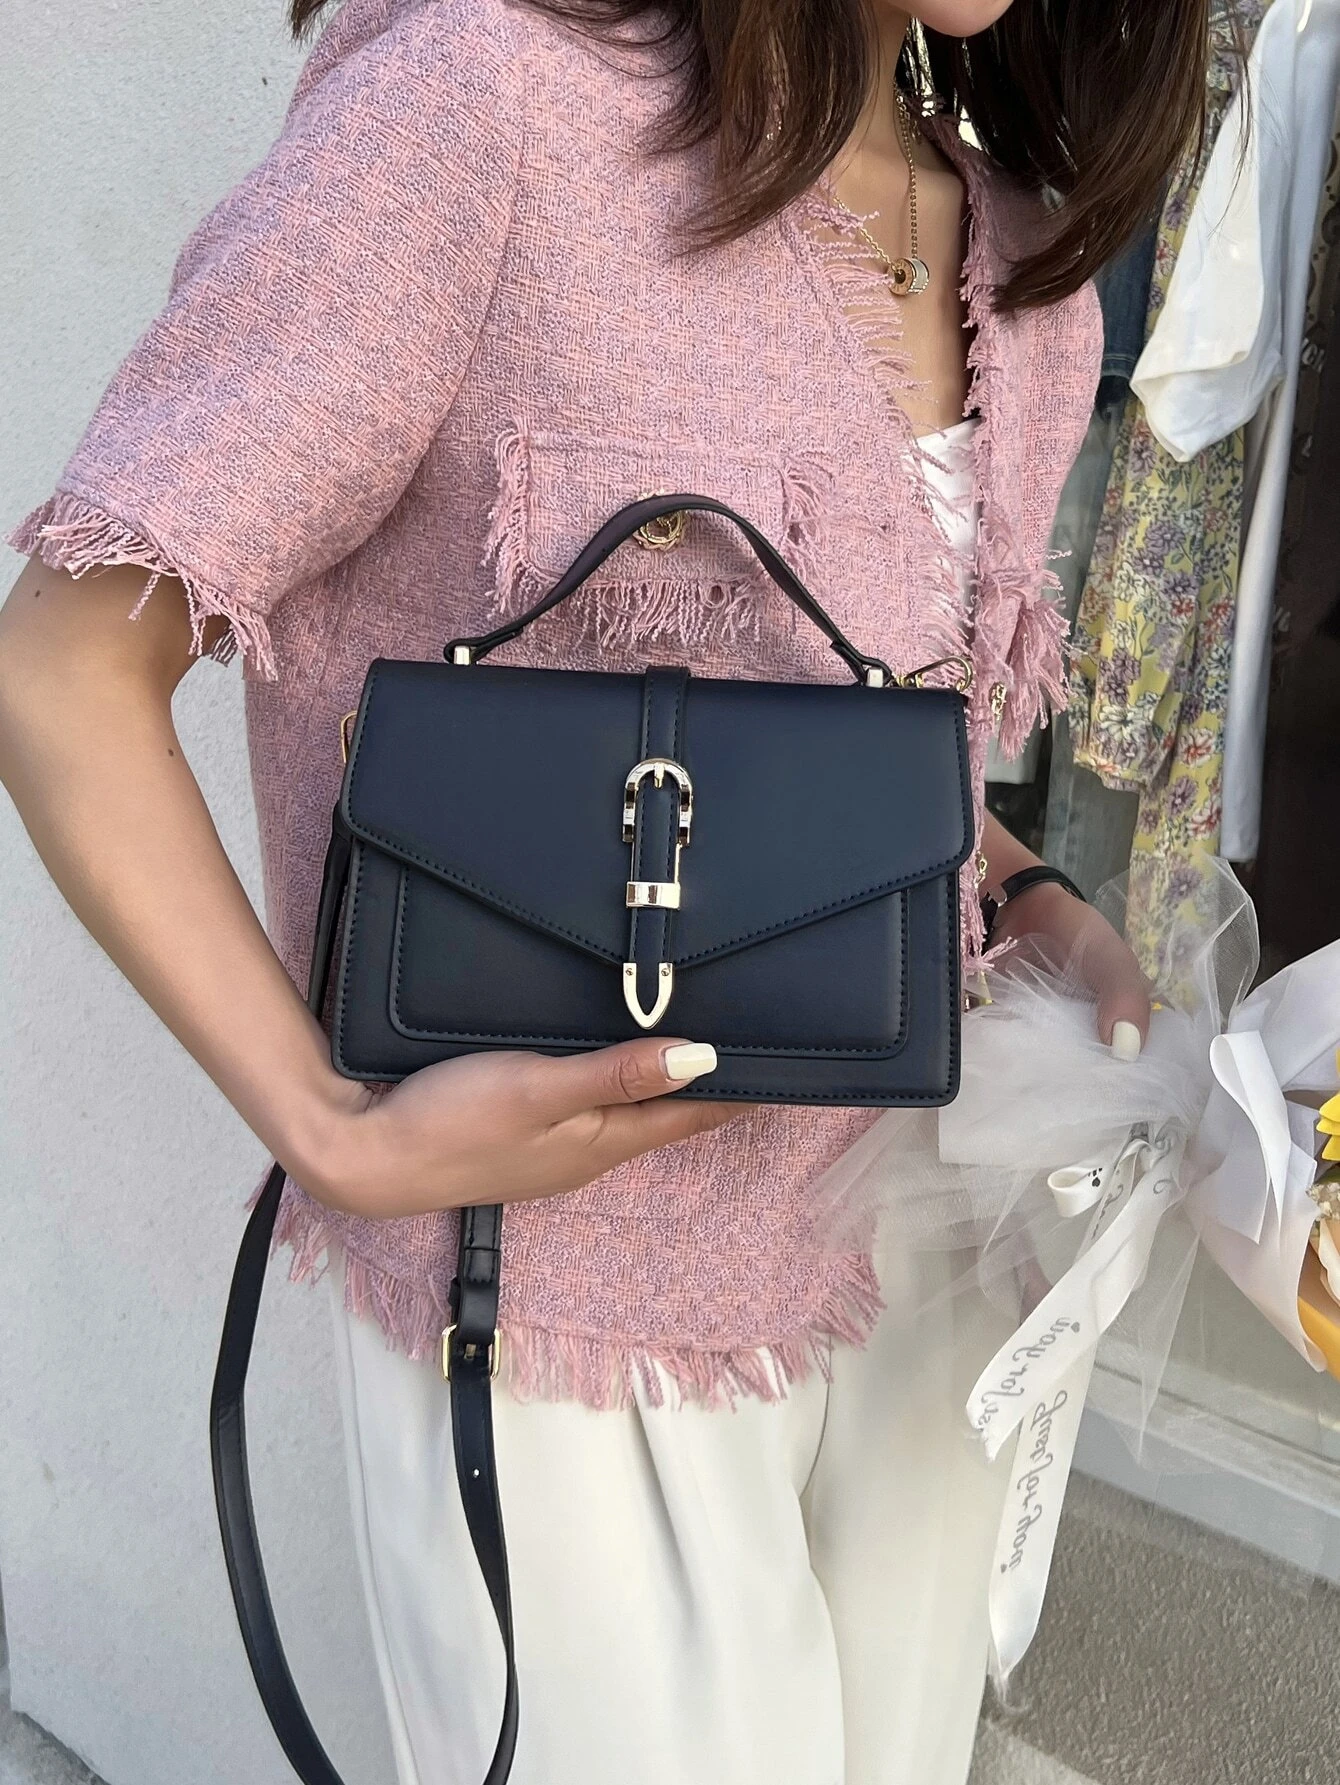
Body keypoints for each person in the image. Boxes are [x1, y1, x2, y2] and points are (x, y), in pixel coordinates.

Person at [0, 1, 1214, 1780]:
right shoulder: (486, 115)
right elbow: (62, 673)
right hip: (571, 1290)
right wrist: (334, 1130)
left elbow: (845, 738)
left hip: (924, 1250)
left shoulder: (1008, 233)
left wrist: (1021, 896)